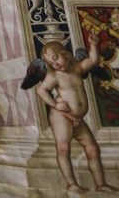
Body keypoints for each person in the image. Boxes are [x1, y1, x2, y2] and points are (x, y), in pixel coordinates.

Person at [37, 37, 118, 195]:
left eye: (56, 58)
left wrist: (93, 44)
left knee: (92, 148)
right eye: (51, 63)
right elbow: (41, 90)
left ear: (64, 53)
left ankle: (101, 184)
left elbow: (93, 59)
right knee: (64, 148)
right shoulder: (55, 75)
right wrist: (55, 104)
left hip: (77, 118)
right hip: (62, 116)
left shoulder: (77, 68)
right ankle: (72, 184)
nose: (56, 64)